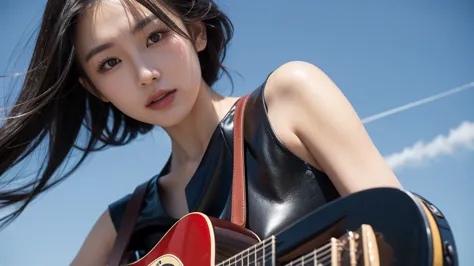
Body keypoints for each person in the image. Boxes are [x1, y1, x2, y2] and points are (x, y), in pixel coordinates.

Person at [0, 0, 402, 265]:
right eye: (109, 63)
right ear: (95, 89)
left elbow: (410, 233)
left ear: (196, 31)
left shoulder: (289, 99)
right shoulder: (121, 224)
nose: (145, 73)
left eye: (155, 36)